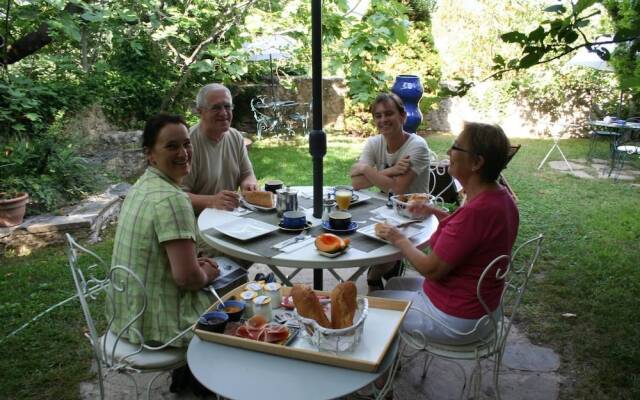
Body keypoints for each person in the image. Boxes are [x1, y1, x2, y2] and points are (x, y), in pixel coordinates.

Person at [373, 121, 519, 345]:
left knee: (372, 304)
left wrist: (397, 238)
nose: (449, 152)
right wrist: (433, 211)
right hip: (482, 307)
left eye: (456, 147)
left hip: (456, 319)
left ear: (477, 162)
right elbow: (470, 236)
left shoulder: (476, 212)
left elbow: (431, 269)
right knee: (394, 284)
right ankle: (393, 356)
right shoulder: (500, 198)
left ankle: (381, 371)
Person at [110, 113, 219, 394]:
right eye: (172, 146)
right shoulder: (173, 200)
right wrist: (206, 272)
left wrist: (195, 266)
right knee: (239, 294)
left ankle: (189, 379)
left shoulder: (143, 186)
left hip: (125, 315)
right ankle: (210, 383)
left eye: (186, 144)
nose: (183, 153)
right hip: (154, 326)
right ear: (150, 154)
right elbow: (187, 279)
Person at [349, 92, 431, 291]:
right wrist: (392, 171)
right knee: (350, 232)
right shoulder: (374, 143)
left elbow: (397, 188)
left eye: (389, 114)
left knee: (384, 250)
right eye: (378, 116)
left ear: (402, 116)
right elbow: (356, 182)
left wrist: (368, 170)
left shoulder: (417, 146)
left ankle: (375, 277)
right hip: (383, 209)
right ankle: (384, 273)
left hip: (414, 214)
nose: (383, 120)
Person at [182, 83, 258, 213]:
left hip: (230, 216)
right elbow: (178, 196)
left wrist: (249, 184)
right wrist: (212, 201)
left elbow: (247, 174)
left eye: (227, 106)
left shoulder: (236, 137)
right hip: (198, 221)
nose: (223, 113)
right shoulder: (188, 145)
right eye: (216, 108)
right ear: (200, 111)